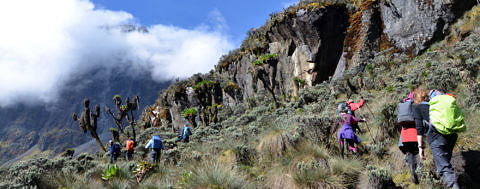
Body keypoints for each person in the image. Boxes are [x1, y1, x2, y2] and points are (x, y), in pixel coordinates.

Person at [414, 88, 460, 189]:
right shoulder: (435, 103)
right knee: (445, 162)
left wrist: (421, 148)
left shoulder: (418, 108)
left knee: (444, 168)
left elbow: (419, 129)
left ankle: (453, 185)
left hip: (437, 138)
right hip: (452, 135)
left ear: (416, 100)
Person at [398, 91, 419, 184]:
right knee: (418, 153)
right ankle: (420, 173)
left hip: (405, 136)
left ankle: (413, 174)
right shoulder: (415, 105)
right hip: (415, 134)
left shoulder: (403, 105)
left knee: (410, 154)